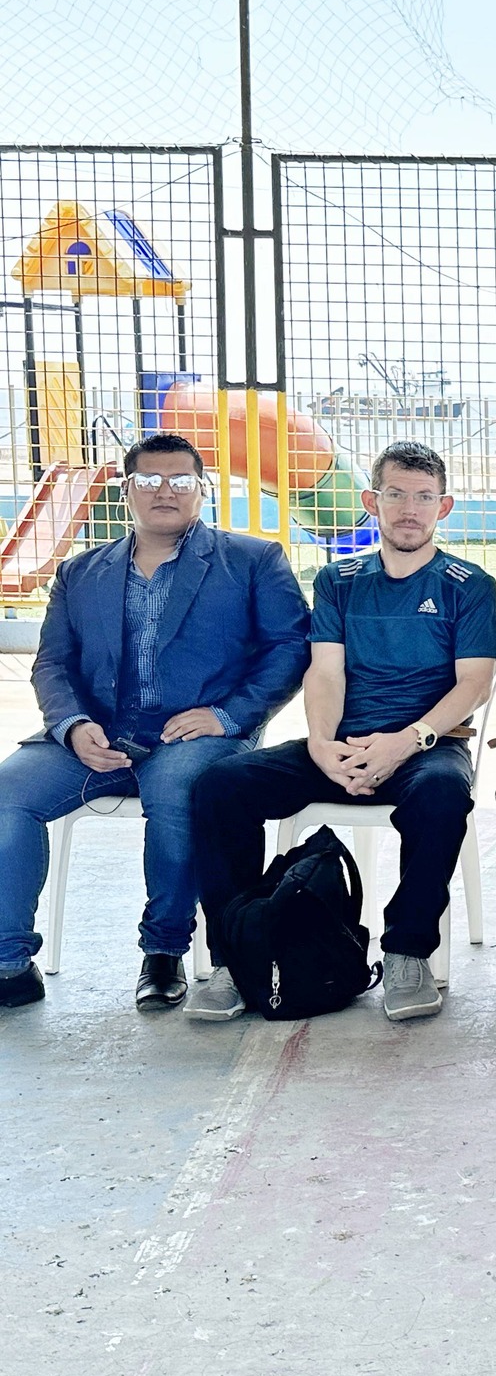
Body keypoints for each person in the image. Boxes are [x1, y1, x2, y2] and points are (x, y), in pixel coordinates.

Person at [188, 441, 496, 1023]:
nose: (409, 510)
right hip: (343, 744)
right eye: (396, 494)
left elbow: (473, 684)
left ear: (444, 507)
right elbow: (325, 672)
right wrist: (320, 745)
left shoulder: (469, 584)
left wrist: (405, 742)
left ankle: (407, 953)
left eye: (424, 498)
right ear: (371, 501)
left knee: (442, 795)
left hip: (426, 746)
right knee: (221, 785)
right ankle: (235, 960)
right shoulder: (339, 580)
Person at [0, 434, 310, 1013]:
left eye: (180, 481)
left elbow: (290, 647)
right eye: (148, 481)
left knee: (176, 793)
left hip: (196, 737)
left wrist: (227, 715)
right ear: (126, 491)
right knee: (6, 794)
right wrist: (71, 725)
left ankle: (163, 952)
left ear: (202, 490)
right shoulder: (80, 572)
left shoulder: (251, 560)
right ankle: (9, 963)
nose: (164, 491)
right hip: (95, 736)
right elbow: (53, 663)